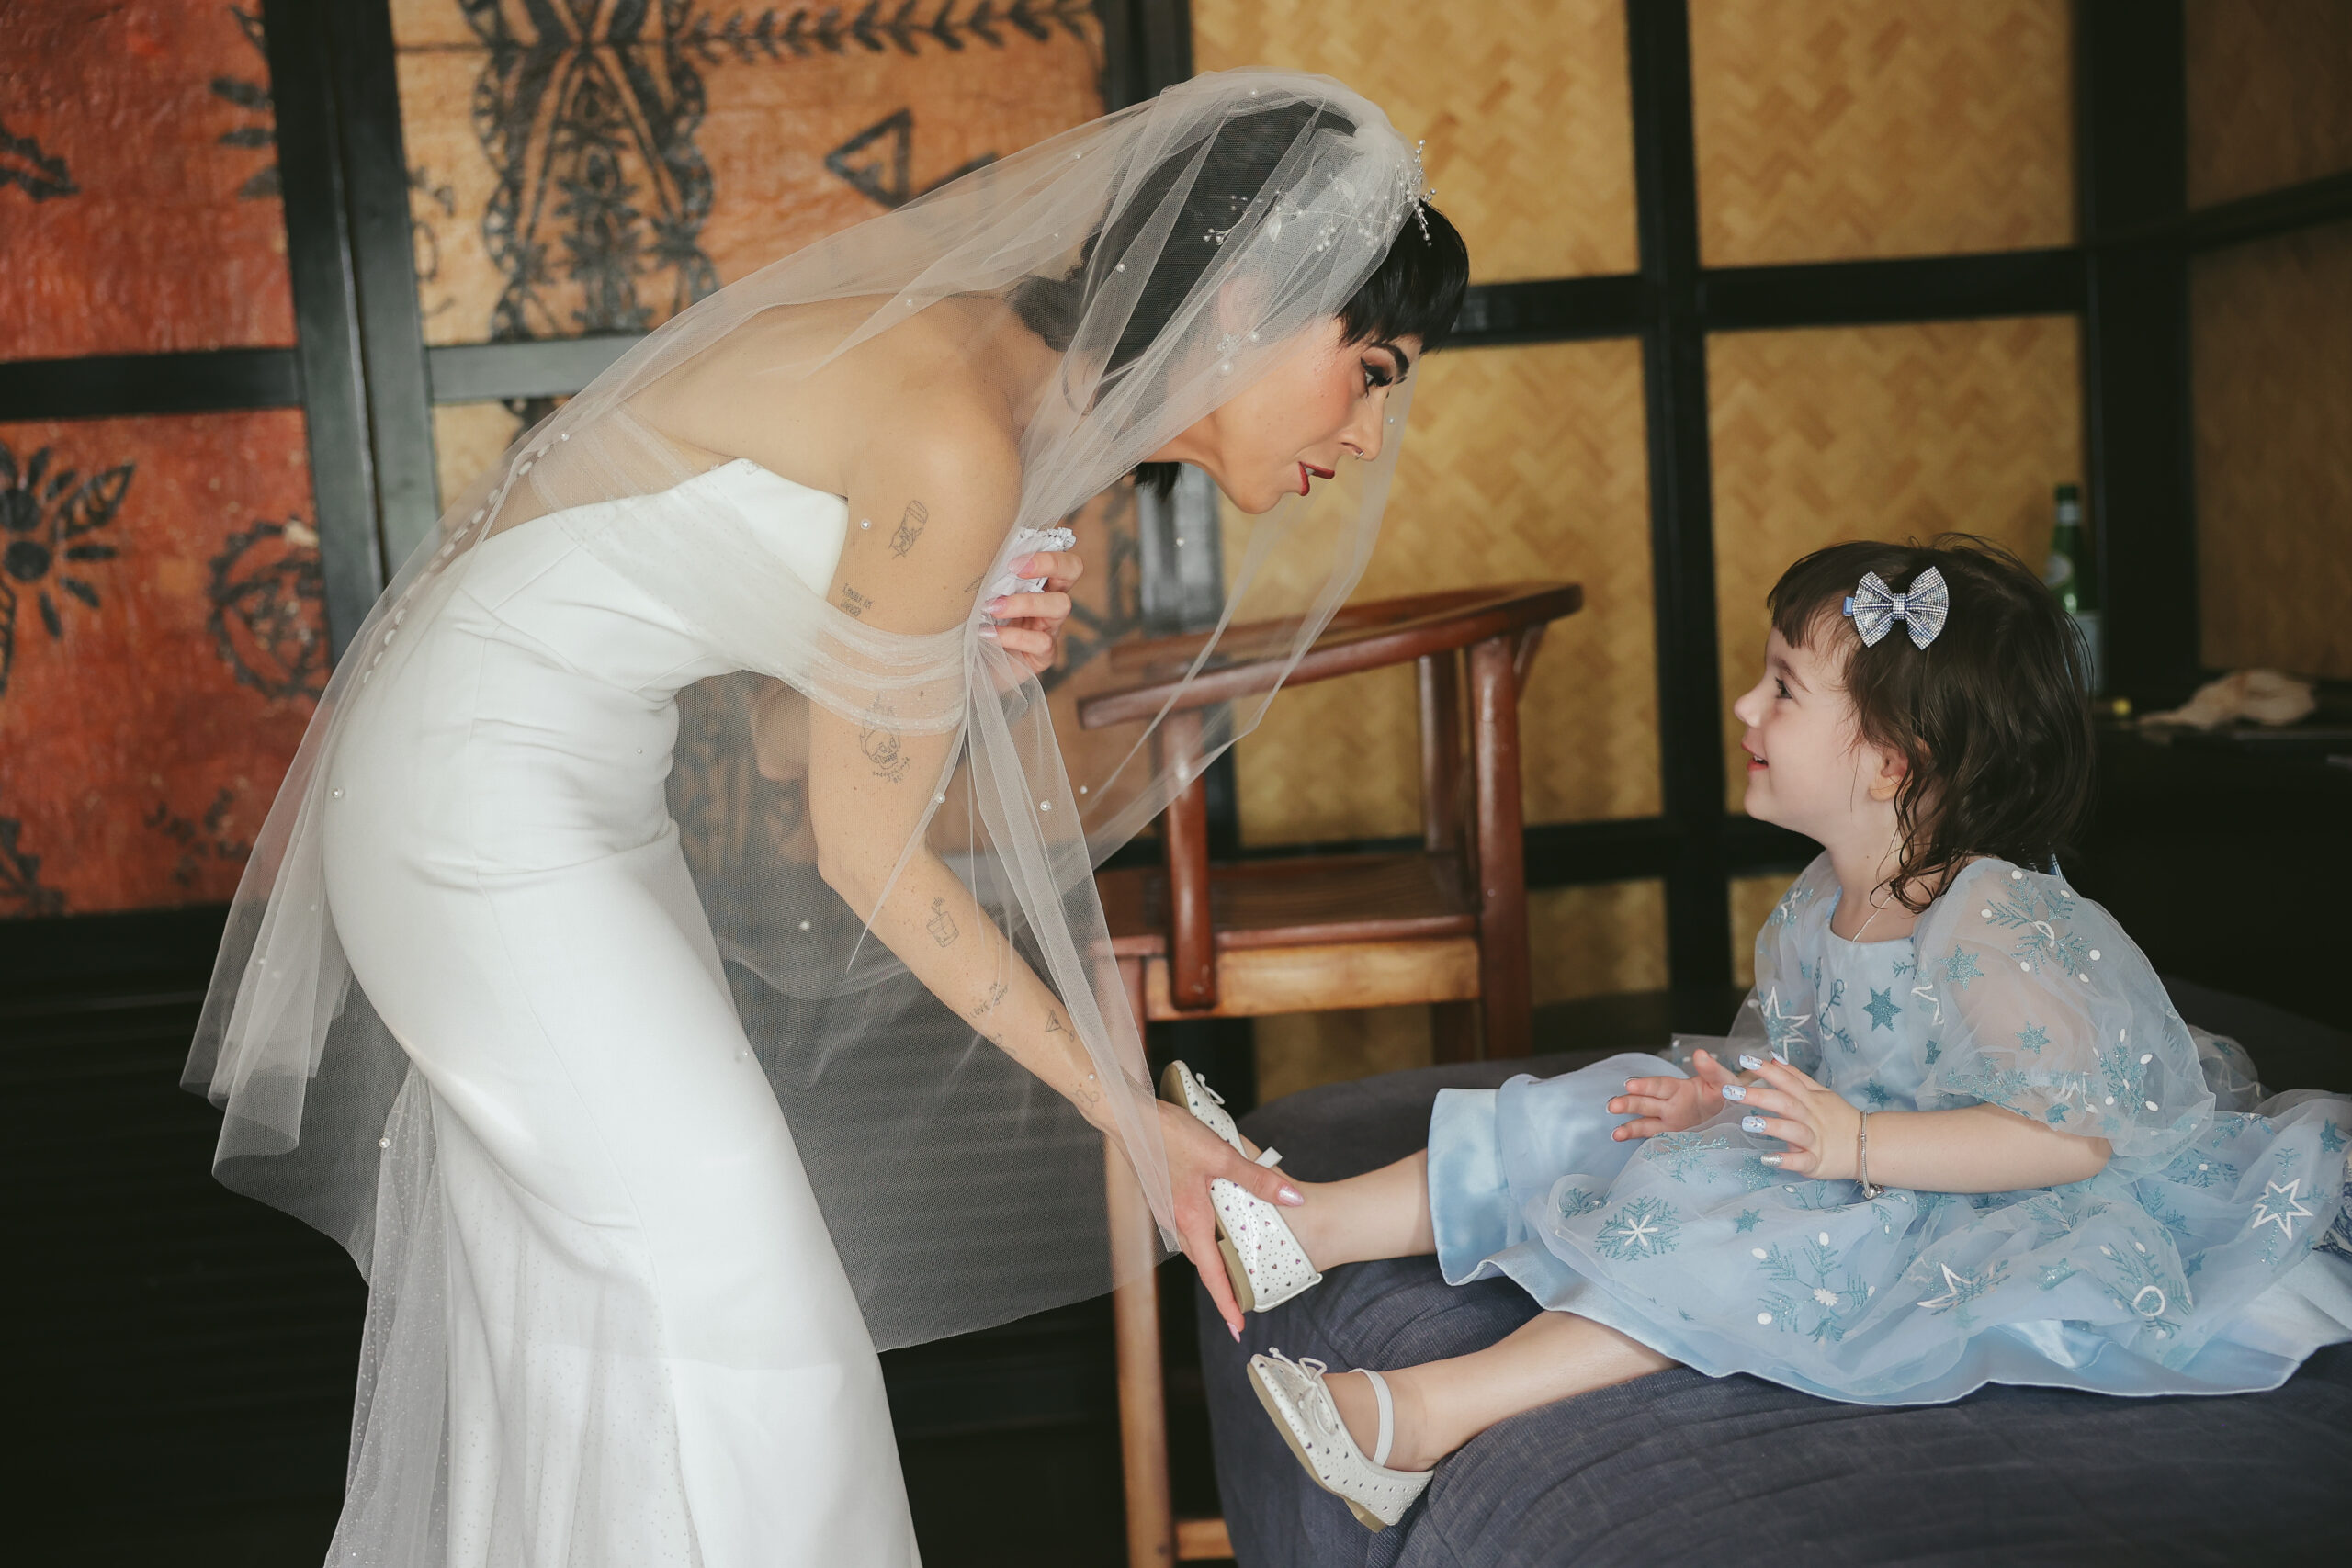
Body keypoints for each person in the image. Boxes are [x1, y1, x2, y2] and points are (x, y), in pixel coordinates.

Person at [181, 70, 1468, 1565]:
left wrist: (955, 660)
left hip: (586, 796)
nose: (1371, 432)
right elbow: (863, 851)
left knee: (614, 1309)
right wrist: (1129, 1117)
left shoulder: (1024, 420)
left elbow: (790, 745)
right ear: (1247, 300)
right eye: (1373, 367)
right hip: (471, 808)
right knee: (743, 1297)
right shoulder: (964, 438)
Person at [1166, 536, 2352, 1532]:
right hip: (1862, 1149)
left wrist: (1858, 1149)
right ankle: (1308, 1225)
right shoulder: (1819, 902)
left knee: (1746, 1234)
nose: (1746, 705)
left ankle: (1424, 1417)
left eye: (1783, 687)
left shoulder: (1991, 918)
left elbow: (2073, 1137)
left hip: (1995, 1193)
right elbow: (1804, 1070)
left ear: (1888, 762)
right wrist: (1719, 1100)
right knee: (1620, 1097)